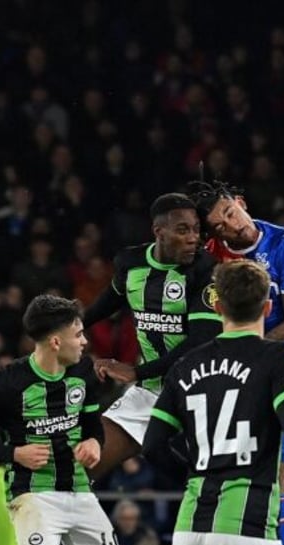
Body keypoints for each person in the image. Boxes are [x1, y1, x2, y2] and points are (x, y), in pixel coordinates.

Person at [142, 260, 284, 545]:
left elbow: (153, 445)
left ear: (218, 307)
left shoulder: (185, 366)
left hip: (190, 530)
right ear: (268, 308)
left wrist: (196, 472)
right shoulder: (278, 358)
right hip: (249, 526)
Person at [190, 180, 284, 545]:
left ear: (241, 202)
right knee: (224, 475)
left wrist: (247, 355)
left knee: (276, 475)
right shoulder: (208, 256)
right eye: (221, 224)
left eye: (231, 212)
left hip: (278, 366)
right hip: (225, 369)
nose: (233, 224)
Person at [83, 193, 223, 479]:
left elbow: (200, 343)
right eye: (183, 229)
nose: (193, 238)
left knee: (210, 481)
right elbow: (108, 302)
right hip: (151, 390)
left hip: (202, 389)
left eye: (196, 229)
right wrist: (67, 328)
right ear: (159, 232)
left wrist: (136, 371)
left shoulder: (204, 270)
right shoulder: (131, 262)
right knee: (81, 468)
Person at [0, 295, 120, 545]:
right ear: (56, 342)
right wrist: (14, 454)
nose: (85, 341)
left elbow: (93, 428)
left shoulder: (83, 372)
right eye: (79, 335)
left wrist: (94, 442)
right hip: (33, 495)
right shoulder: (6, 385)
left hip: (80, 492)